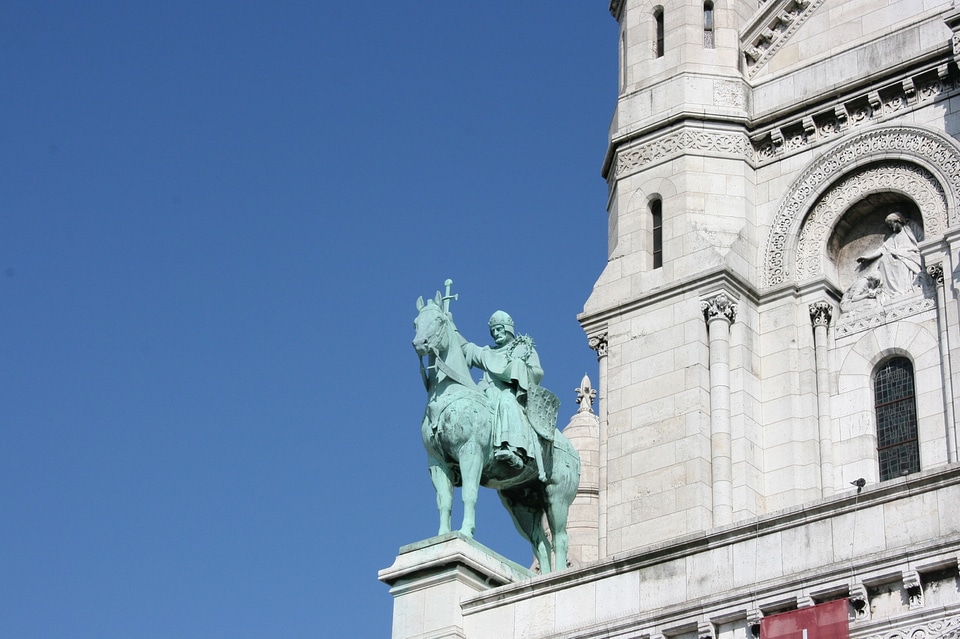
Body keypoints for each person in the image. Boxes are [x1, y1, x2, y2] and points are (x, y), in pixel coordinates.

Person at [462, 311, 543, 472]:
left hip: (512, 395)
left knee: (506, 400)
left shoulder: (524, 349)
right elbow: (467, 349)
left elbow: (537, 373)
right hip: (487, 392)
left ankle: (514, 449)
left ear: (508, 329)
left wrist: (519, 367)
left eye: (499, 329)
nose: (496, 334)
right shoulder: (488, 353)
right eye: (493, 331)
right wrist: (449, 325)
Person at [856, 211, 923, 299]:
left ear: (898, 221)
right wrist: (868, 257)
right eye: (890, 226)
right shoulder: (893, 237)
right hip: (898, 257)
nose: (891, 228)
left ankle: (905, 289)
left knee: (900, 262)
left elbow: (922, 238)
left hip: (911, 255)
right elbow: (882, 249)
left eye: (892, 225)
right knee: (884, 259)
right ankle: (894, 291)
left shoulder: (910, 227)